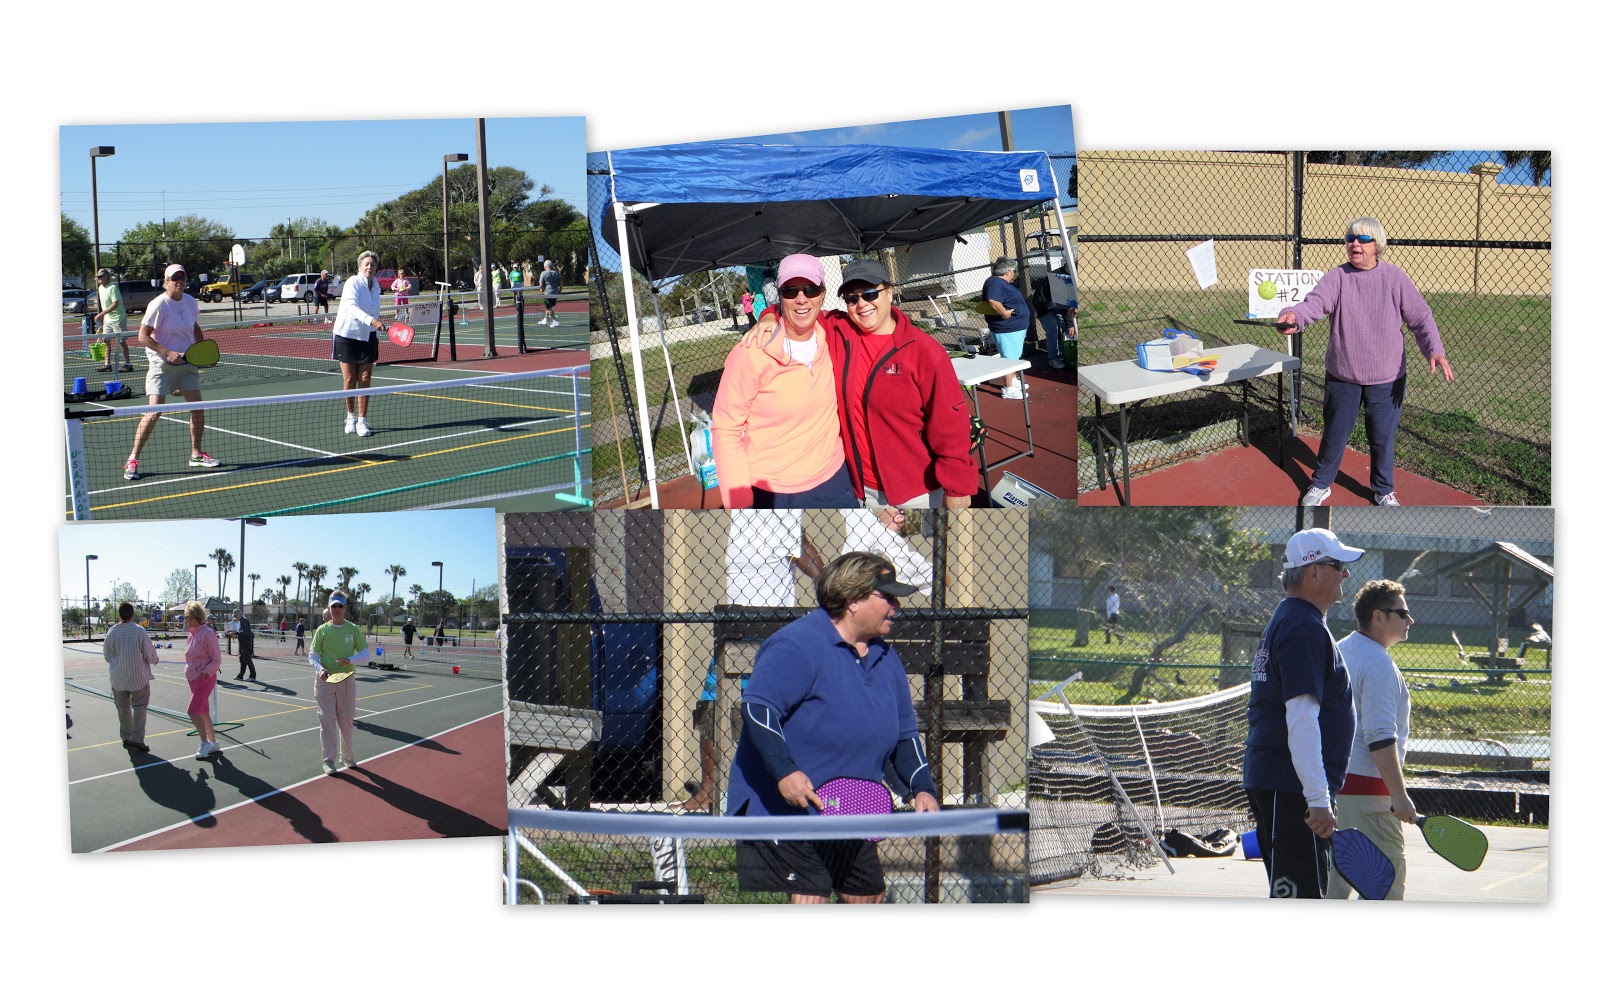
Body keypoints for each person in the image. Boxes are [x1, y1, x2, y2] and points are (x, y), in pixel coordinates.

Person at [727, 552, 939, 902]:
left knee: (868, 896)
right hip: (791, 808)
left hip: (852, 806)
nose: (896, 606)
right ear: (853, 600)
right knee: (811, 897)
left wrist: (922, 787)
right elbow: (759, 708)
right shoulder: (798, 644)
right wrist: (785, 772)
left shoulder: (886, 657)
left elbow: (904, 734)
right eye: (886, 596)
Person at [750, 259, 980, 509]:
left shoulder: (923, 351)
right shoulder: (838, 331)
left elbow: (950, 425)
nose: (862, 305)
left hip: (917, 493)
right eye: (852, 298)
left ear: (890, 292)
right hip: (859, 491)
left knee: (921, 547)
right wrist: (769, 317)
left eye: (870, 294)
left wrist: (957, 490)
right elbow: (798, 311)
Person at [1278, 216, 1456, 507]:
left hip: (1387, 376)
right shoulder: (1337, 277)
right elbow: (1314, 304)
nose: (1355, 244)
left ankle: (1383, 490)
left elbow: (1421, 317)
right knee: (1334, 434)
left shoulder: (1394, 278)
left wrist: (1434, 350)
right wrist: (1294, 317)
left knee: (1382, 438)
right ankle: (1321, 484)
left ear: (1377, 245)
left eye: (1362, 239)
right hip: (1343, 375)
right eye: (1350, 239)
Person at [1242, 527, 1361, 899]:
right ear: (1313, 572)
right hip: (1290, 788)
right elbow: (1302, 718)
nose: (1346, 573)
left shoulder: (1296, 620)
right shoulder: (1303, 627)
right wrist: (1318, 799)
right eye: (1338, 565)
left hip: (1285, 785)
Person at [711, 253, 857, 509]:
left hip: (833, 477)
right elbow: (726, 430)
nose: (801, 299)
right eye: (790, 291)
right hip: (774, 490)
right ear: (779, 296)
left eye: (810, 289)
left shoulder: (831, 333)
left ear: (822, 294)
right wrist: (740, 505)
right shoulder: (752, 351)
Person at [1330, 579, 1417, 899]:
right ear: (1378, 617)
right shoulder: (1379, 664)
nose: (1410, 620)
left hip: (1332, 789)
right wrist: (1399, 796)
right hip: (1368, 795)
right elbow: (1379, 737)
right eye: (1402, 613)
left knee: (1333, 888)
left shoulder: (1339, 649)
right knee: (1387, 887)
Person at [122, 264, 220, 481]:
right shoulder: (159, 305)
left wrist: (204, 353)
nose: (179, 282)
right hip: (161, 365)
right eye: (174, 278)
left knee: (197, 408)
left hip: (186, 363)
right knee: (154, 413)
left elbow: (194, 328)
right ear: (166, 281)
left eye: (182, 278)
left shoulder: (190, 301)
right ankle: (132, 459)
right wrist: (167, 352)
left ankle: (196, 454)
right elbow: (143, 337)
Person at [332, 249, 391, 438]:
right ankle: (350, 417)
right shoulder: (352, 283)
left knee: (365, 379)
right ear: (360, 267)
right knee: (350, 380)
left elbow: (375, 311)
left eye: (373, 264)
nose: (370, 267)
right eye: (366, 264)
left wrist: (376, 335)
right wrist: (373, 322)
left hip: (368, 337)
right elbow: (351, 307)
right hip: (347, 336)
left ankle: (362, 421)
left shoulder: (376, 286)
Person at [309, 594, 368, 774]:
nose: (336, 610)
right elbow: (313, 655)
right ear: (329, 608)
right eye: (333, 606)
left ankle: (347, 757)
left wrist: (349, 659)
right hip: (325, 681)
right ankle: (328, 760)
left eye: (340, 607)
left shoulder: (352, 629)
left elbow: (365, 654)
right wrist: (320, 669)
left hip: (347, 681)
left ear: (344, 608)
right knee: (326, 720)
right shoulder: (322, 630)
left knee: (346, 720)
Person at [102, 600, 159, 754]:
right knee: (140, 707)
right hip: (138, 677)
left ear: (119, 615)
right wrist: (154, 660)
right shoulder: (139, 631)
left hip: (118, 677)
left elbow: (107, 656)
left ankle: (126, 736)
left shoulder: (112, 632)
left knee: (122, 707)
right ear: (133, 615)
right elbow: (150, 653)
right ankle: (137, 738)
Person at [841, 506, 934, 596]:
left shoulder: (869, 525)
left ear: (899, 516)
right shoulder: (907, 555)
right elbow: (940, 577)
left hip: (845, 588)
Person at [982, 257, 1032, 399]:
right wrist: (1004, 313)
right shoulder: (995, 283)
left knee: (1013, 356)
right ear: (1008, 272)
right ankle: (1008, 388)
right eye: (1014, 272)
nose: (1014, 274)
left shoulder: (997, 282)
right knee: (1009, 358)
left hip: (1013, 328)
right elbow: (992, 300)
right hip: (1007, 328)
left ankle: (1013, 380)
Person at [183, 600, 223, 760]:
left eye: (187, 617)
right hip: (193, 678)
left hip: (204, 679)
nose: (186, 620)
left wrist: (205, 673)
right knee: (203, 711)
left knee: (192, 711)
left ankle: (204, 743)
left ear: (196, 616)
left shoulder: (207, 633)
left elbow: (217, 659)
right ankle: (213, 742)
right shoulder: (191, 635)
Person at [1031, 263, 1077, 370]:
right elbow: (1066, 304)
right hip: (1043, 303)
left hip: (1057, 303)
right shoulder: (1059, 277)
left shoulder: (1071, 275)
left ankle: (1067, 352)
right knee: (1052, 331)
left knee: (1067, 328)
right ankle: (1053, 358)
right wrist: (1070, 324)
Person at [92, 268, 135, 374]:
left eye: (101, 276)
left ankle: (128, 364)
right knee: (106, 340)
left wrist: (102, 313)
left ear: (107, 277)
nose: (98, 278)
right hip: (108, 320)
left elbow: (115, 304)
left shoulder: (113, 287)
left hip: (118, 318)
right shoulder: (101, 287)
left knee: (121, 342)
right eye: (98, 277)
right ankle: (107, 364)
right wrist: (104, 316)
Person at [232, 609, 256, 681]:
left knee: (248, 659)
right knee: (242, 659)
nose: (235, 618)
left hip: (246, 644)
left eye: (236, 616)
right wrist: (235, 633)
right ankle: (240, 675)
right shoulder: (240, 622)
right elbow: (241, 632)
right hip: (242, 644)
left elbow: (244, 633)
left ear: (239, 615)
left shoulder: (244, 621)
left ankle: (253, 675)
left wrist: (235, 634)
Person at [539, 259, 562, 327]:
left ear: (545, 266)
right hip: (555, 293)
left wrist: (542, 289)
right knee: (548, 307)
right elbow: (561, 284)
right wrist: (559, 291)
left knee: (548, 308)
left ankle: (555, 321)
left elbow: (541, 285)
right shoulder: (556, 273)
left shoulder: (543, 273)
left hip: (548, 293)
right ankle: (545, 320)